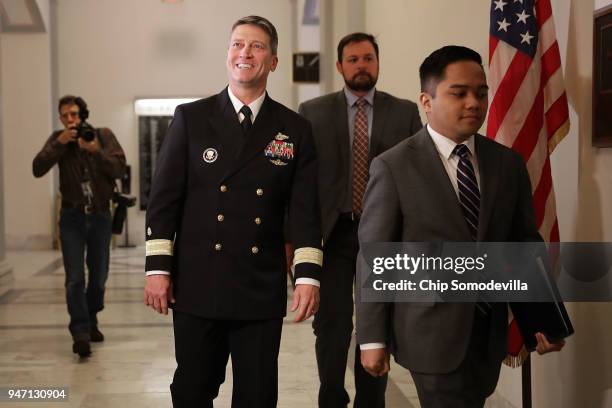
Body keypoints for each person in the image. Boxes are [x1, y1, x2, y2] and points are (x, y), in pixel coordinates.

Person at [355, 46, 565, 407]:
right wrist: (371, 338)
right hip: (429, 333)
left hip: (487, 333)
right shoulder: (393, 167)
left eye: (481, 93)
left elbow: (522, 244)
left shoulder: (506, 164)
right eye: (459, 93)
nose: (474, 103)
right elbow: (375, 256)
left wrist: (544, 315)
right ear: (427, 100)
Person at [143, 15, 323, 408]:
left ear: (273, 61)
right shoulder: (191, 118)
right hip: (197, 284)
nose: (246, 53)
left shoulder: (294, 129)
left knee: (257, 397)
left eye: (257, 46)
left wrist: (308, 277)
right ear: (228, 55)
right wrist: (158, 269)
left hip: (258, 287)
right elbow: (163, 200)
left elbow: (306, 211)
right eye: (238, 44)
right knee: (191, 391)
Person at [297, 32, 421, 408]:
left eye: (368, 58)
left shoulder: (405, 113)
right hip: (333, 235)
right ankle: (331, 396)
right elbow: (301, 181)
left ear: (378, 63)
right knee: (332, 325)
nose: (361, 65)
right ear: (339, 67)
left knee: (376, 324)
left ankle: (372, 402)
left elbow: (416, 176)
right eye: (353, 59)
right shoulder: (312, 112)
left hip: (384, 237)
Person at [33, 95, 126, 357]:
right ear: (61, 119)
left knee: (98, 278)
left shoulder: (103, 135)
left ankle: (92, 318)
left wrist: (95, 151)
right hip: (71, 217)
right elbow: (37, 168)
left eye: (74, 114)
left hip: (99, 217)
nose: (71, 120)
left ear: (82, 114)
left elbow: (120, 169)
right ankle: (81, 331)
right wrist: (58, 146)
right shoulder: (58, 140)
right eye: (65, 116)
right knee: (75, 278)